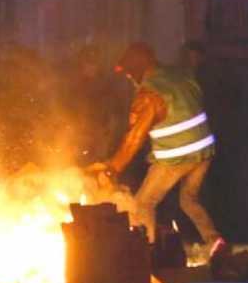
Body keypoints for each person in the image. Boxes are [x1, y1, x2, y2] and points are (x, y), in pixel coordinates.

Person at [90, 42, 224, 253]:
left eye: (129, 73)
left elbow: (134, 138)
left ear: (137, 69)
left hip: (177, 156)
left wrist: (112, 168)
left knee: (143, 203)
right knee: (188, 199)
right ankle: (215, 241)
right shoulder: (180, 75)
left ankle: (148, 254)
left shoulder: (149, 94)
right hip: (204, 150)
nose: (129, 78)